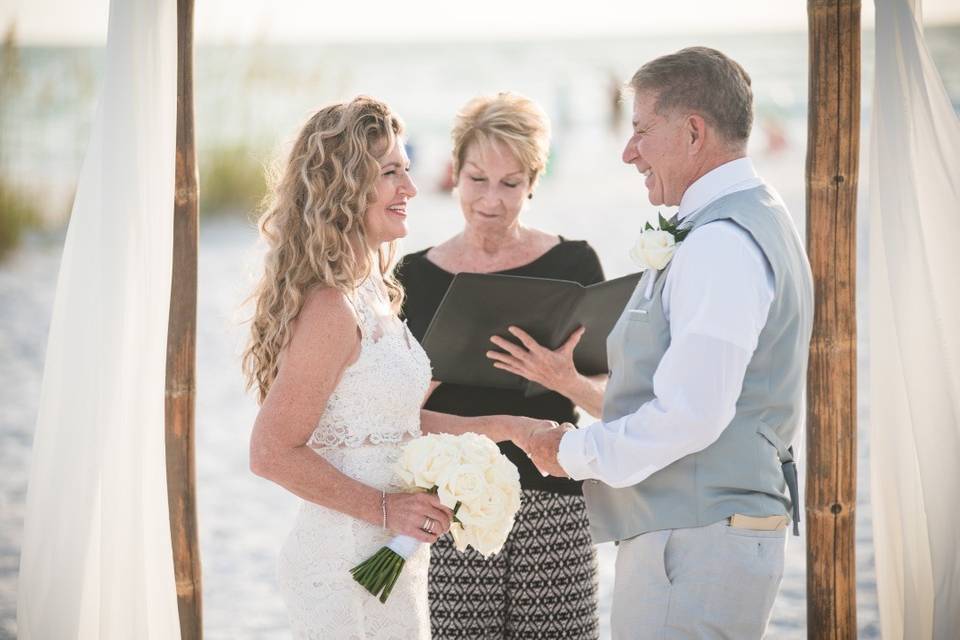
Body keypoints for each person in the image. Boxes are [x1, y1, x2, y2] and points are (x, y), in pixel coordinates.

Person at [523, 47, 815, 639]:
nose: (628, 152)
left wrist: (573, 452)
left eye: (640, 130)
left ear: (693, 131)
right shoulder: (749, 216)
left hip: (697, 545)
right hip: (704, 534)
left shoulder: (721, 243)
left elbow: (691, 415)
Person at [243, 96, 548, 639]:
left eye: (407, 170)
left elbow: (395, 426)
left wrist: (507, 429)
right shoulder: (330, 308)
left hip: (390, 562)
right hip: (340, 566)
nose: (410, 189)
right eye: (391, 174)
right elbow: (270, 452)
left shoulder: (374, 293)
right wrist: (385, 508)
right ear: (344, 186)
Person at [396, 92, 604, 639]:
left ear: (533, 181)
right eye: (477, 178)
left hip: (556, 501)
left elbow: (616, 404)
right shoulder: (411, 278)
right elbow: (392, 419)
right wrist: (435, 371)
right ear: (454, 174)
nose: (491, 199)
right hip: (450, 512)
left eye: (511, 183)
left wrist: (565, 379)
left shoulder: (574, 265)